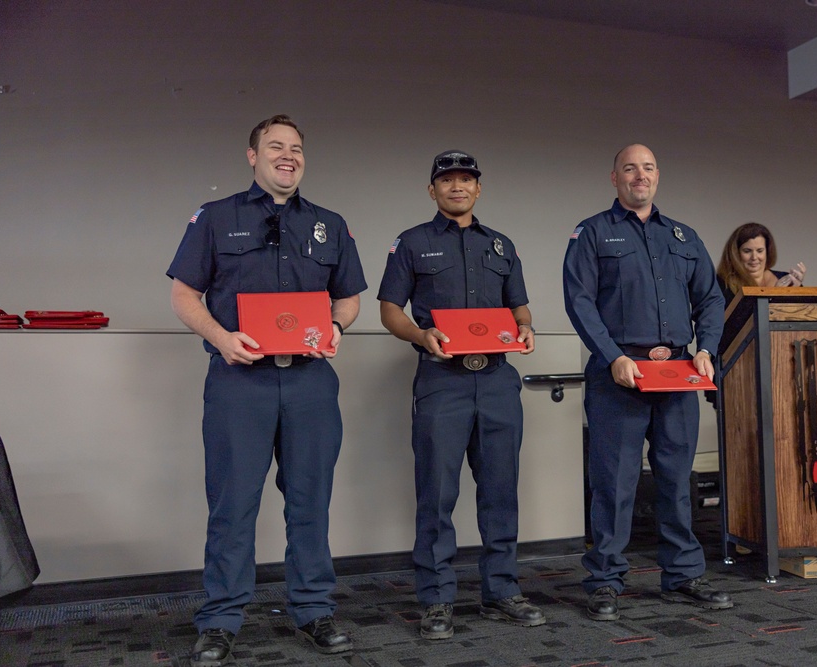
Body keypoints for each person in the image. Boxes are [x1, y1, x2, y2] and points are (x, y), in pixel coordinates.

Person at [167, 114, 367, 664]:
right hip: (240, 382)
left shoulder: (330, 223)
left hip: (309, 383)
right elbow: (185, 294)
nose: (288, 155)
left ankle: (314, 610)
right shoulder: (216, 218)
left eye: (297, 148)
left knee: (310, 501)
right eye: (275, 146)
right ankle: (222, 618)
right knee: (233, 504)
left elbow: (347, 297)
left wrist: (337, 326)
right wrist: (219, 336)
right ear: (251, 156)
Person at [377, 150, 545, 640]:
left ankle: (501, 591)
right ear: (432, 190)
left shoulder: (501, 245)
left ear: (478, 188)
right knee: (437, 493)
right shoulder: (412, 243)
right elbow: (389, 310)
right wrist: (420, 334)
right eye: (446, 180)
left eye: (465, 180)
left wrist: (527, 331)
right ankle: (436, 599)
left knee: (500, 490)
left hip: (496, 380)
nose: (457, 187)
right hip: (441, 380)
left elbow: (521, 310)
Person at [563, 143, 731, 620]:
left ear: (658, 177)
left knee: (677, 479)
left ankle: (682, 575)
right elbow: (579, 301)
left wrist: (705, 350)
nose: (641, 175)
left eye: (649, 167)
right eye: (631, 168)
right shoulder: (592, 233)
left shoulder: (683, 236)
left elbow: (711, 301)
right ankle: (605, 580)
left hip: (678, 374)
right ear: (613, 177)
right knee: (614, 483)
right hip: (620, 376)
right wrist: (612, 355)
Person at [716, 222, 806, 306]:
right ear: (736, 253)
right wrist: (774, 295)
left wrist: (798, 292)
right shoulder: (721, 284)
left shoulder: (785, 279)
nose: (754, 257)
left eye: (760, 251)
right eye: (747, 251)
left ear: (767, 252)